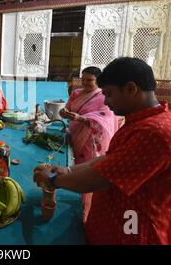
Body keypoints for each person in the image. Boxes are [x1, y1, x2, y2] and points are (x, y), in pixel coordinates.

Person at [33, 57, 171, 244]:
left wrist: (53, 179)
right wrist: (69, 170)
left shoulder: (155, 133)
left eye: (109, 94)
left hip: (134, 232)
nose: (107, 102)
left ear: (131, 89)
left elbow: (100, 178)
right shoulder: (144, 123)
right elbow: (110, 160)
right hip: (121, 223)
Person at [59, 66, 118, 222]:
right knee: (74, 166)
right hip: (75, 134)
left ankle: (86, 209)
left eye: (89, 80)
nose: (85, 83)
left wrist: (81, 119)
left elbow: (105, 119)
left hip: (90, 140)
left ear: (98, 81)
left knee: (87, 172)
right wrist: (64, 112)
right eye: (83, 79)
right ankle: (75, 196)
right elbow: (68, 109)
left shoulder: (102, 97)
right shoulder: (76, 93)